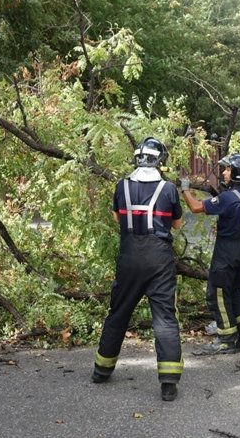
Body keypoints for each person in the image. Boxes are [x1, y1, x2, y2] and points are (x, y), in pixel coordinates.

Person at [92, 137, 184, 402]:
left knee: (118, 312)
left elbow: (117, 218)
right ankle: (168, 383)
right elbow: (176, 225)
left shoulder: (122, 186)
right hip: (159, 259)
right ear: (160, 161)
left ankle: (101, 370)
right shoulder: (168, 189)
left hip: (129, 256)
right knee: (165, 318)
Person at [180, 154, 240, 355]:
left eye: (227, 170)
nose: (224, 173)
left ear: (236, 174)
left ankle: (226, 338)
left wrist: (184, 189)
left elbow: (196, 207)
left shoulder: (228, 197)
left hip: (227, 251)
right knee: (233, 289)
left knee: (217, 292)